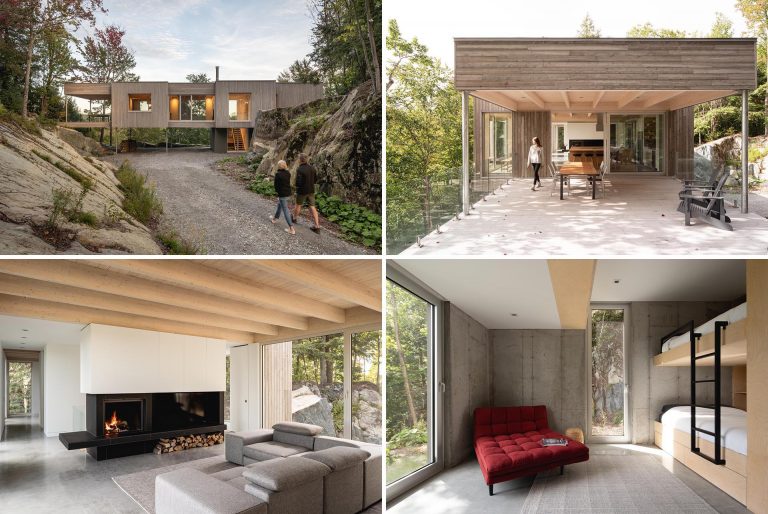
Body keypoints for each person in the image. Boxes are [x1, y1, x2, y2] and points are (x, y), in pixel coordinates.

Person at [293, 153, 321, 232]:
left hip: (302, 190)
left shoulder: (300, 169)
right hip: (311, 190)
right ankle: (317, 226)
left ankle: (294, 218)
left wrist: (296, 188)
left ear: (300, 160)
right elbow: (316, 179)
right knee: (312, 206)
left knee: (298, 205)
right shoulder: (312, 168)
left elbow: (298, 182)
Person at [269, 160, 295, 235]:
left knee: (286, 210)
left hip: (282, 194)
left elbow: (276, 185)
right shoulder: (288, 173)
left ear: (279, 166)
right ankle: (275, 219)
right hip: (288, 192)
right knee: (279, 205)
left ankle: (291, 228)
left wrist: (277, 192)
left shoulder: (278, 174)